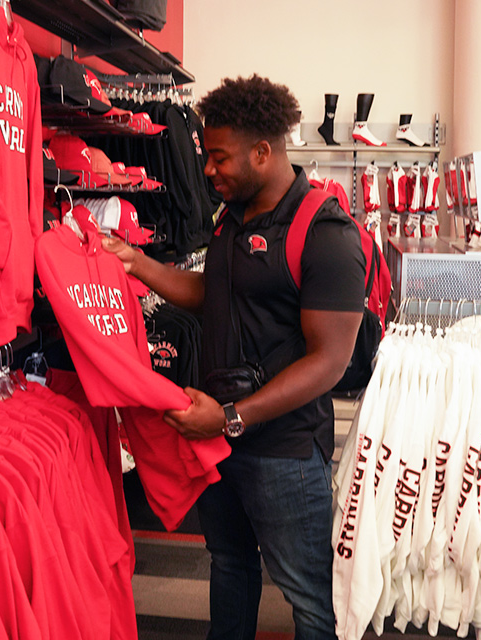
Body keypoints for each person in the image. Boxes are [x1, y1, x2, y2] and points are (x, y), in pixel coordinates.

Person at [102, 75, 365, 639]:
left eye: (219, 158)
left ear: (262, 152)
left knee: (308, 595)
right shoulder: (231, 217)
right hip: (219, 440)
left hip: (284, 450)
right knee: (229, 565)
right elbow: (213, 294)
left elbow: (330, 362)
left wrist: (230, 417)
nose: (207, 169)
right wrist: (136, 263)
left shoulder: (326, 233)